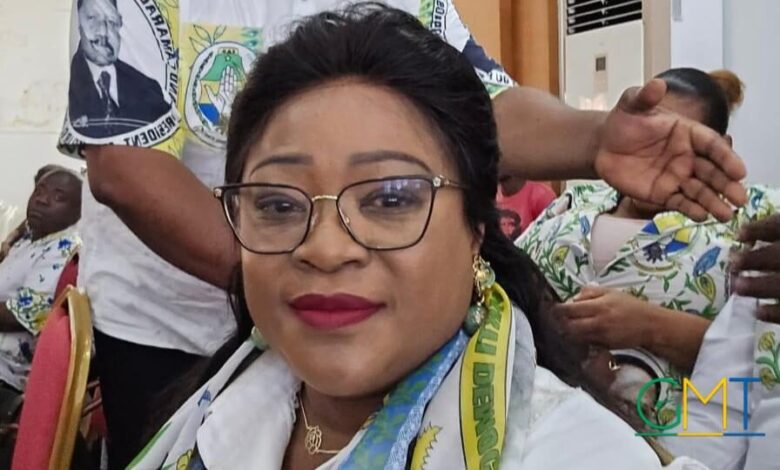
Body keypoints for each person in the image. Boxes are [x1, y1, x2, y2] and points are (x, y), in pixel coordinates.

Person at [60, 0, 747, 467]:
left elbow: (481, 110)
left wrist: (594, 137)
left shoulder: (569, 450)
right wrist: (276, 282)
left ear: (478, 226)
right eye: (274, 203)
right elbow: (124, 164)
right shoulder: (210, 423)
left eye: (390, 198)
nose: (326, 246)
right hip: (178, 331)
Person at [517, 68, 779, 425]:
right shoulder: (577, 199)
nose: (657, 154)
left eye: (678, 143)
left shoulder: (752, 219)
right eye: (648, 135)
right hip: (540, 419)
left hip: (673, 435)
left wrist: (652, 327)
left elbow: (765, 359)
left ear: (721, 148)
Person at [0, 169, 81, 392]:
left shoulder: (63, 250)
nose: (42, 199)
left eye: (58, 196)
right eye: (39, 191)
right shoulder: (33, 237)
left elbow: (21, 315)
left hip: (7, 371)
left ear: (79, 211)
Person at [68, 0, 170, 138]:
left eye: (111, 21)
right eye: (92, 18)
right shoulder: (73, 81)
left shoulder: (148, 89)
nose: (103, 32)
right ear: (79, 24)